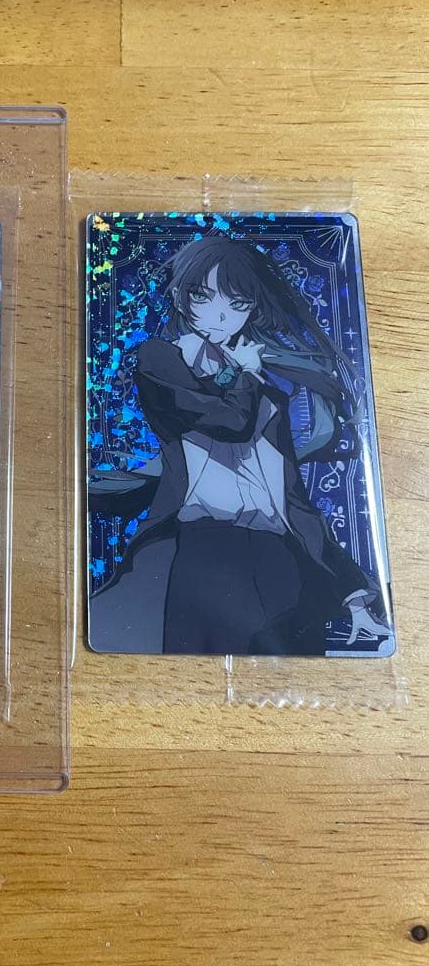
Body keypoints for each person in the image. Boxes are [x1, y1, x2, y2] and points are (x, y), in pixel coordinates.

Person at [90, 234, 392, 655]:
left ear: (252, 309)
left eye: (237, 304)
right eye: (203, 297)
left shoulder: (265, 395)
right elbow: (227, 421)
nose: (220, 316)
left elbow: (293, 501)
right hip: (201, 551)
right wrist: (245, 375)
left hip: (279, 560)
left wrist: (354, 598)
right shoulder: (161, 360)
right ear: (179, 297)